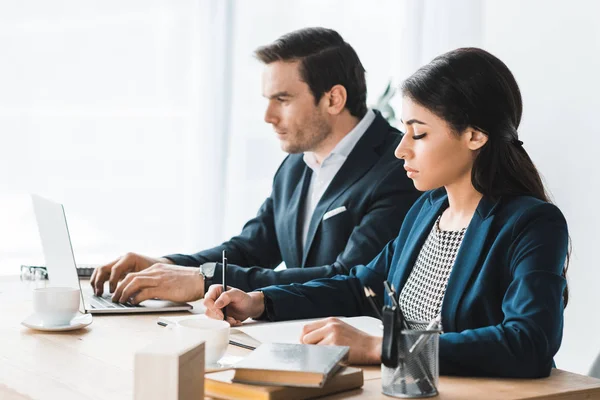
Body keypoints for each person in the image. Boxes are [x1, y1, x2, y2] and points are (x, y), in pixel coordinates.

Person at [204, 47, 570, 379]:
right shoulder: (427, 210)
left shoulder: (532, 224)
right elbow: (361, 286)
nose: (400, 150)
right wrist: (260, 301)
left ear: (475, 136)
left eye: (419, 134)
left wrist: (383, 347)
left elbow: (528, 342)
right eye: (403, 132)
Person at [89, 27, 420, 303]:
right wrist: (165, 265)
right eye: (268, 100)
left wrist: (205, 280)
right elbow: (251, 248)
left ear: (334, 99)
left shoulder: (400, 167)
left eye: (282, 99)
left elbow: (349, 278)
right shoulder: (295, 165)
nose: (268, 117)